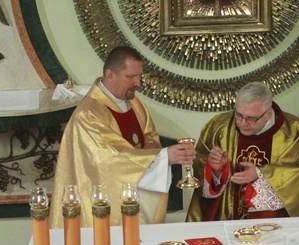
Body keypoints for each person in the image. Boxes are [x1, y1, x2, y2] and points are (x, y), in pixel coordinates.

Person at [50, 46, 196, 228]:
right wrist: (161, 156)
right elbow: (107, 160)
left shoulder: (135, 104)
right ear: (110, 75)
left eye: (139, 76)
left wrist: (152, 146)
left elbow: (150, 136)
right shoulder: (88, 114)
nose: (138, 83)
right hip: (103, 207)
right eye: (130, 77)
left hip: (136, 196)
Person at [185, 82, 299, 221]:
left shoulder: (295, 131)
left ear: (268, 114)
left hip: (272, 222)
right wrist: (217, 171)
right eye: (238, 115)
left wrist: (260, 175)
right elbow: (200, 160)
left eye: (251, 118)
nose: (242, 123)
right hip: (225, 217)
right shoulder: (219, 127)